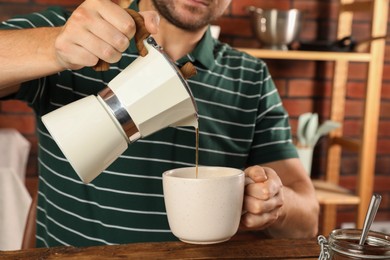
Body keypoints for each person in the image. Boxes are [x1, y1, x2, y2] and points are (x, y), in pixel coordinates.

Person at [0, 0, 319, 247]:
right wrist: (54, 48)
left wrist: (276, 202)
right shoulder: (74, 32)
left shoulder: (250, 76)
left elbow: (308, 222)